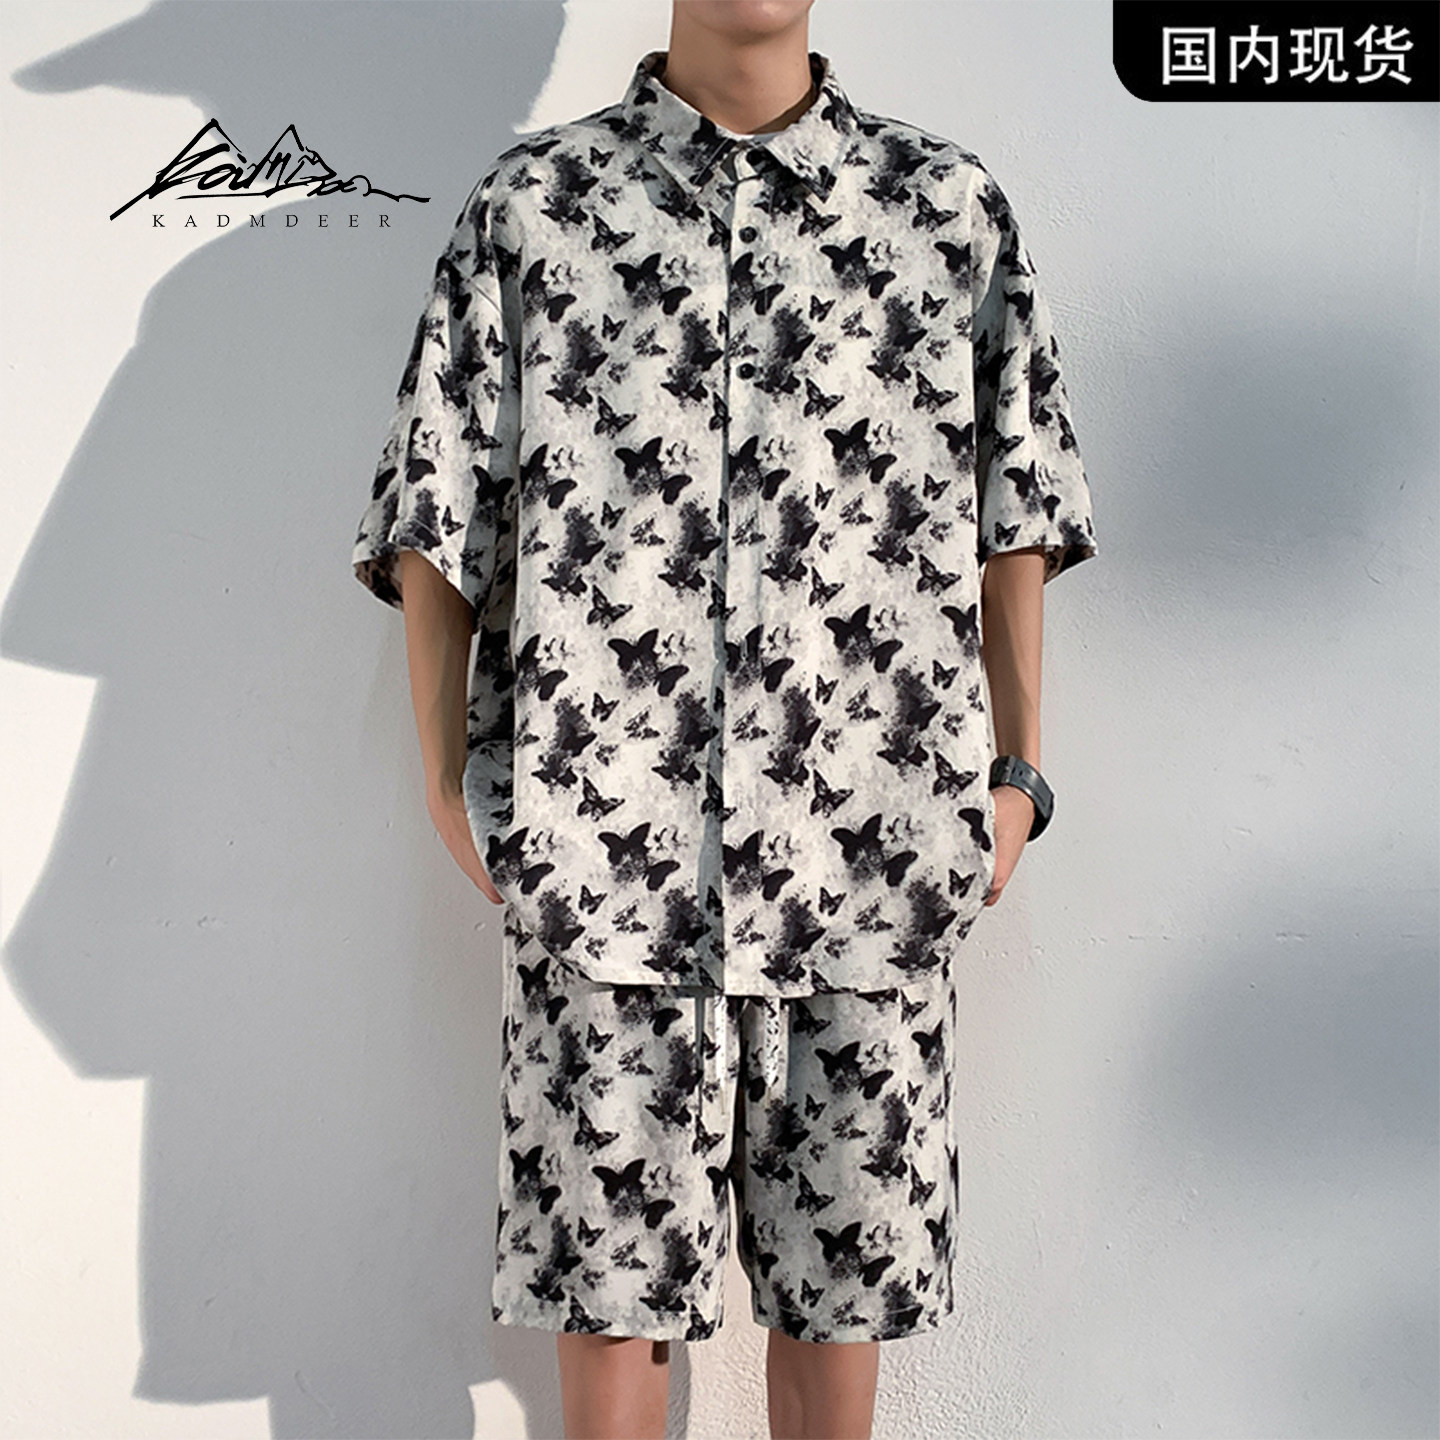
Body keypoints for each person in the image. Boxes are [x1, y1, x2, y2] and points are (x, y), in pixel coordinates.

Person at [351, 3, 1098, 1436]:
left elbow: (1021, 503)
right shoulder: (534, 212)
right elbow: (437, 509)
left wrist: (1013, 777)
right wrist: (449, 784)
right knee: (610, 1326)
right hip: (600, 869)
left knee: (841, 1315)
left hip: (871, 859)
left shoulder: (943, 210)